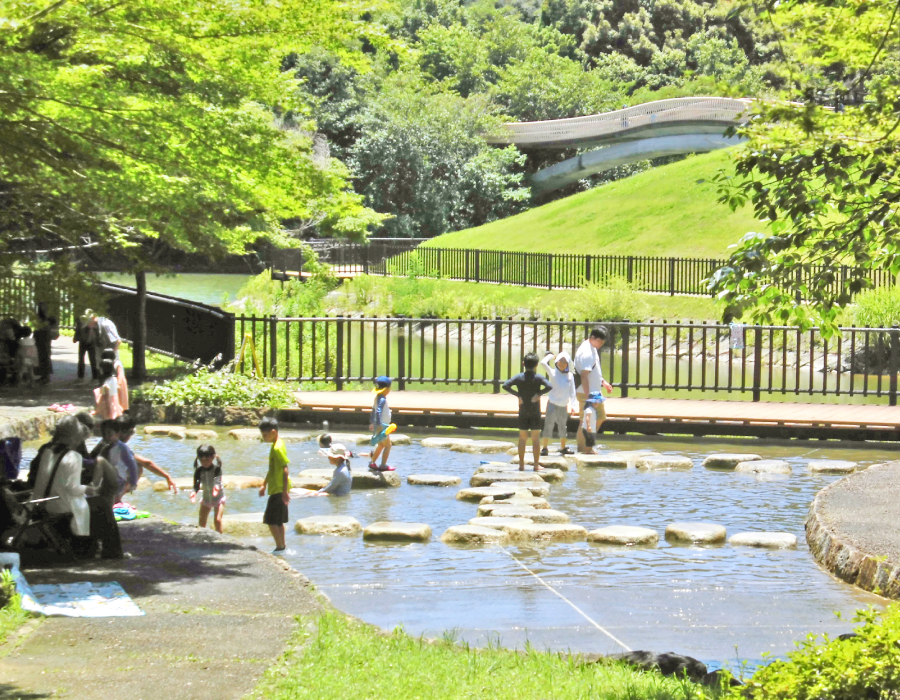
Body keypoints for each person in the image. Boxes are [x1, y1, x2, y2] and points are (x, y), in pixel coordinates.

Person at [31, 415, 97, 551]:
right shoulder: (74, 456)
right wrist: (88, 489)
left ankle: (89, 546)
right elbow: (72, 488)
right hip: (58, 508)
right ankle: (107, 550)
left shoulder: (47, 451)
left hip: (40, 504)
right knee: (100, 505)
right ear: (75, 436)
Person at [502, 352, 552, 471]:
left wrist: (518, 395)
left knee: (522, 438)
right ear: (536, 366)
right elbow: (549, 386)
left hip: (523, 410)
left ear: (523, 364)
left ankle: (521, 465)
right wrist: (538, 394)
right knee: (535, 439)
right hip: (535, 411)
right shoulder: (538, 378)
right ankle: (535, 465)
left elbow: (505, 385)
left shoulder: (519, 377)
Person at [574, 327, 613, 453]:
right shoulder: (586, 353)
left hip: (595, 392)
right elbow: (584, 375)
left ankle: (586, 446)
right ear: (593, 338)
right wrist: (588, 396)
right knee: (585, 421)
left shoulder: (592, 348)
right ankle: (585, 449)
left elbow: (594, 371)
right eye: (600, 342)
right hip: (587, 393)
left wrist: (603, 382)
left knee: (600, 417)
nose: (601, 345)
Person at [258, 417, 291, 555]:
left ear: (273, 431)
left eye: (265, 435)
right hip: (276, 488)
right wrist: (264, 484)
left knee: (270, 521)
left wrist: (284, 492)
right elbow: (272, 468)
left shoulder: (277, 448)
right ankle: (282, 545)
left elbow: (285, 469)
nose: (264, 437)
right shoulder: (279, 443)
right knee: (278, 521)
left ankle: (279, 548)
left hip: (278, 489)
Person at [540, 351, 577, 456]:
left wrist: (573, 405)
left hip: (563, 405)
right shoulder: (552, 372)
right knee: (548, 425)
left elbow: (572, 392)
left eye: (564, 362)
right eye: (560, 361)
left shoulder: (570, 376)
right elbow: (543, 363)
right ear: (556, 362)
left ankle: (563, 447)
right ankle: (545, 448)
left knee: (562, 426)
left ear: (568, 364)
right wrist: (550, 356)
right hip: (552, 403)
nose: (561, 364)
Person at [189, 445, 225, 534]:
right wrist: (194, 492)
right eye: (202, 460)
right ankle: (202, 538)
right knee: (201, 521)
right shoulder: (199, 471)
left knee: (217, 520)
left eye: (207, 460)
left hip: (218, 499)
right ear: (198, 459)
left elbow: (217, 480)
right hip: (206, 499)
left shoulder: (217, 469)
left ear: (213, 457)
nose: (204, 463)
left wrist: (216, 487)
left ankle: (221, 539)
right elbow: (196, 484)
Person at [368, 376, 395, 472]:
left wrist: (372, 422)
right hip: (382, 425)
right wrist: (379, 424)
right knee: (388, 445)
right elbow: (378, 411)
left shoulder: (377, 398)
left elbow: (373, 410)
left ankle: (372, 462)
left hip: (379, 425)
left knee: (381, 445)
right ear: (386, 389)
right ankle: (383, 465)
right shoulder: (382, 399)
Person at [33, 301, 57, 384]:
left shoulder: (45, 319)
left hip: (43, 338)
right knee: (44, 356)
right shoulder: (46, 318)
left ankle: (45, 376)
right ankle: (44, 376)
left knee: (44, 356)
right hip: (43, 338)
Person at [72, 314, 97, 384]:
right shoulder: (82, 320)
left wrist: (75, 338)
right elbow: (78, 329)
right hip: (84, 341)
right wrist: (75, 338)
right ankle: (81, 377)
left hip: (90, 341)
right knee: (82, 359)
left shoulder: (92, 321)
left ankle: (93, 377)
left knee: (91, 360)